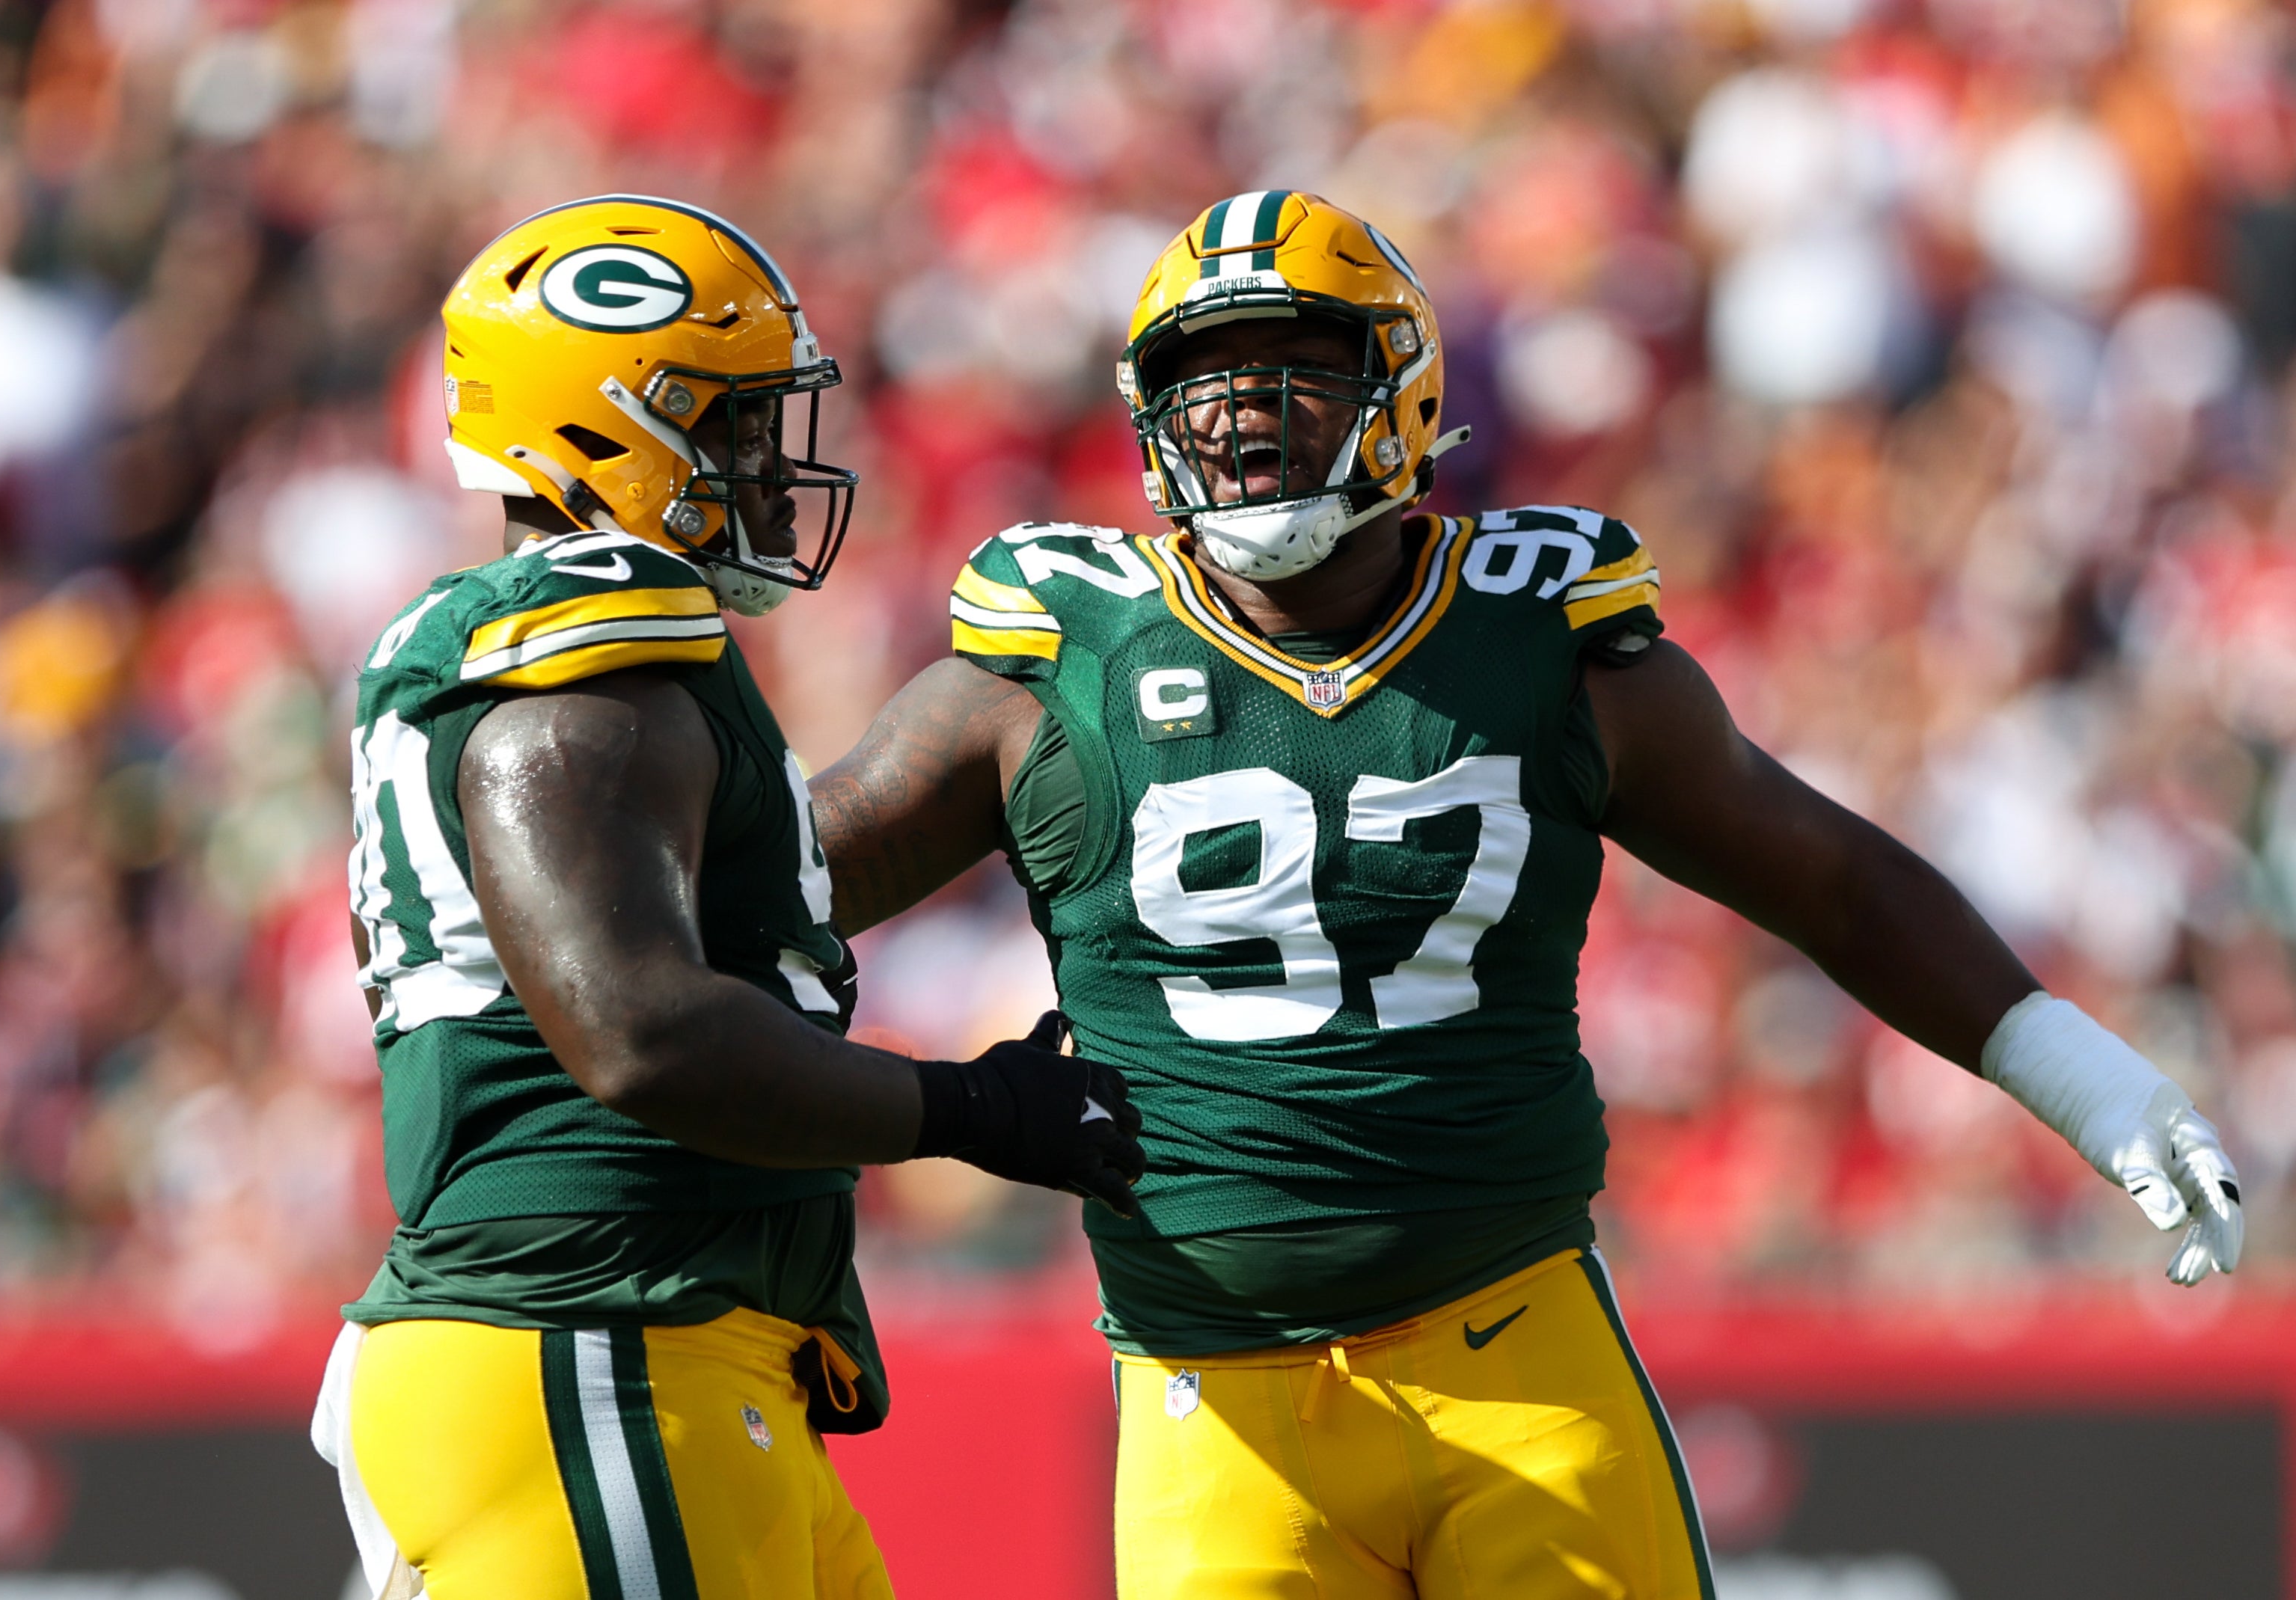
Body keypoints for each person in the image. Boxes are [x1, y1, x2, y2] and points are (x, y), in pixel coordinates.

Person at [806, 191, 2244, 1600]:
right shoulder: (1054, 669)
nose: (1239, 416)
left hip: (1519, 1352)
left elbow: (1829, 879)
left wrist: (2083, 1076)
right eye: (1201, 386)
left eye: (1294, 374)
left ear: (1404, 394)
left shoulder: (1543, 642)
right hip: (1214, 1397)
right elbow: (790, 887)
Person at [310, 194, 1145, 1600]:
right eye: (731, 424)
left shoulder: (610, 662)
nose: (768, 465)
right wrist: (972, 1112)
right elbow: (637, 1029)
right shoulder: (587, 656)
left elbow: (786, 883)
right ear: (596, 429)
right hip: (585, 1336)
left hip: (673, 1343)